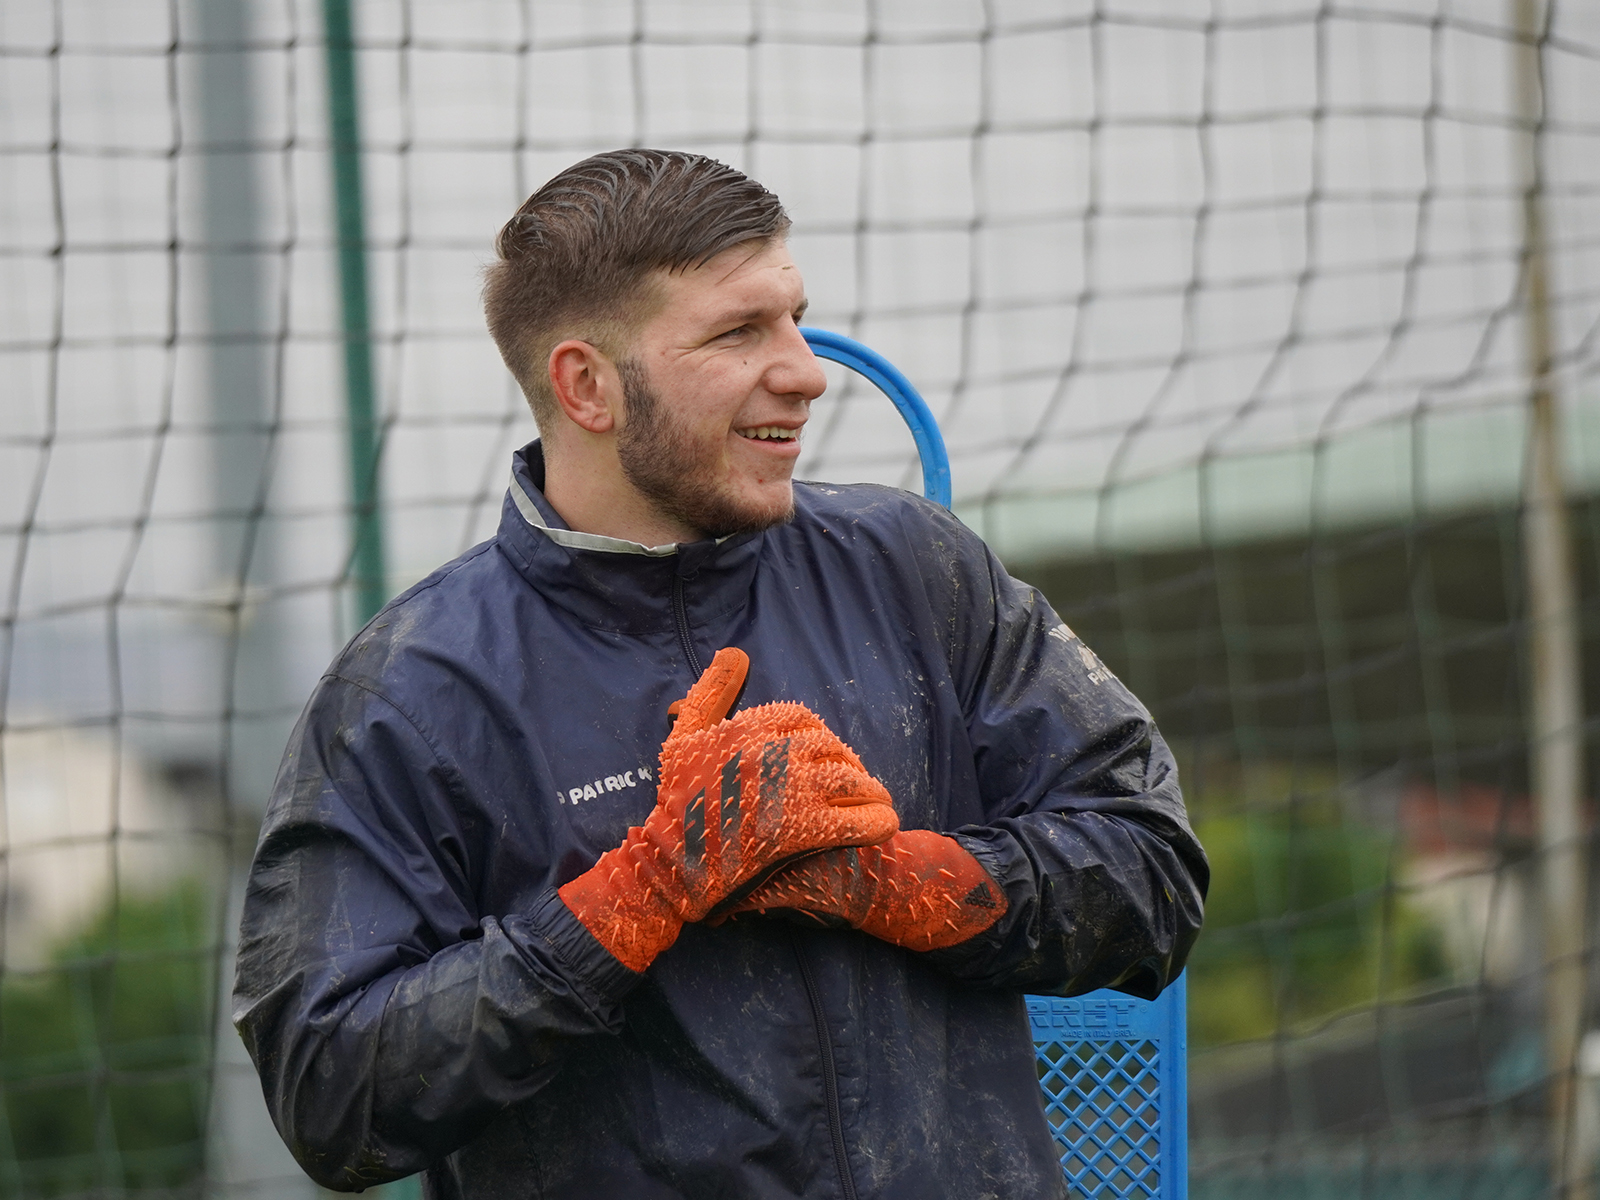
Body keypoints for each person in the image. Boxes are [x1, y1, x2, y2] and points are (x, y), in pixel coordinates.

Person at [233, 148, 1207, 1199]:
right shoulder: (410, 693)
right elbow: (331, 1096)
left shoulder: (914, 568)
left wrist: (884, 881)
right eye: (739, 332)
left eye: (792, 316)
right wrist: (638, 893)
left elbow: (1152, 872)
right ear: (586, 385)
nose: (805, 369)